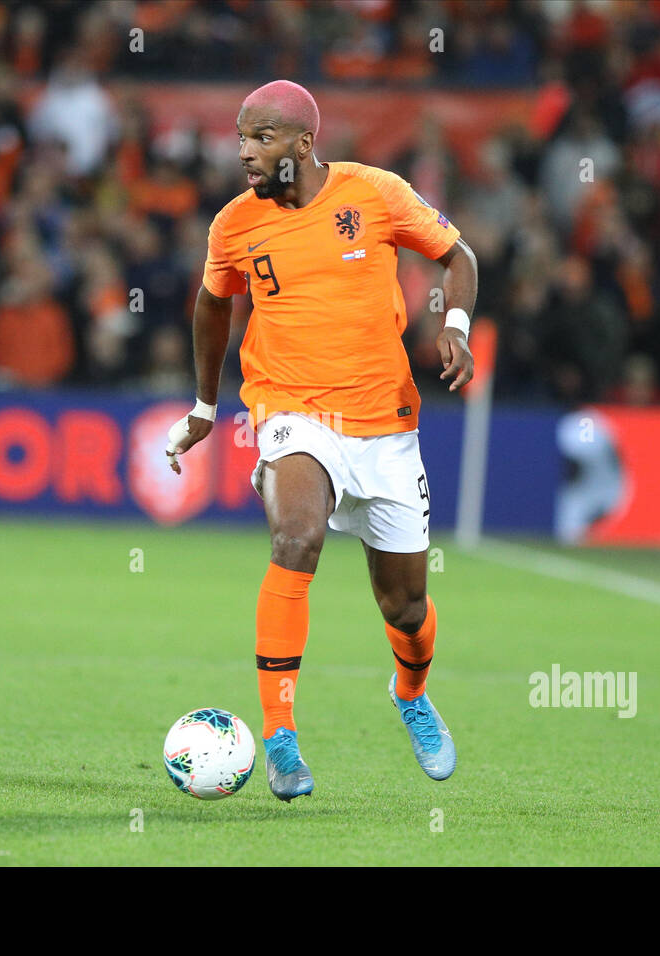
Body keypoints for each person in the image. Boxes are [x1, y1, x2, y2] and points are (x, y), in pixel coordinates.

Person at [166, 80, 478, 801]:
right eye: (241, 138)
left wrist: (455, 328)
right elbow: (213, 304)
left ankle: (410, 693)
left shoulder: (376, 193)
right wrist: (206, 405)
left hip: (385, 425)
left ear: (303, 143)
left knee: (405, 608)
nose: (245, 152)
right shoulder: (234, 224)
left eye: (262, 137)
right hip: (291, 410)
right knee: (296, 539)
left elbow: (459, 256)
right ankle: (280, 737)